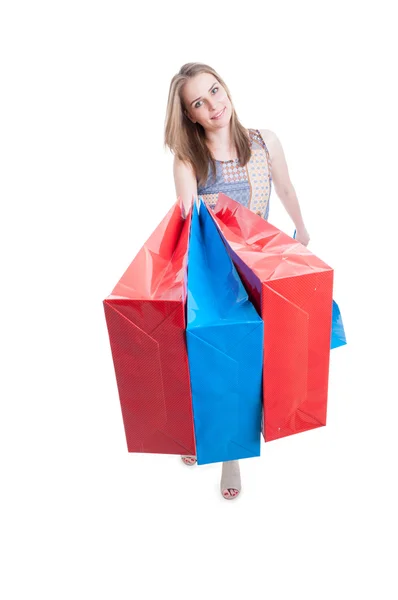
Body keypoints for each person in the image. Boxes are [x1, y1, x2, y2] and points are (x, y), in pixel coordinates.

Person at [164, 62, 310, 500]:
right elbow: (188, 217)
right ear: (190, 115)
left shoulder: (265, 142)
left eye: (214, 90)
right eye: (198, 102)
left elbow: (284, 187)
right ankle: (199, 431)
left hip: (259, 267)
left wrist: (302, 230)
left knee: (251, 366)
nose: (213, 105)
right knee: (210, 361)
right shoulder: (190, 158)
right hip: (215, 278)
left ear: (225, 86)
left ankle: (229, 456)